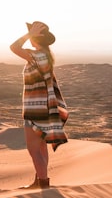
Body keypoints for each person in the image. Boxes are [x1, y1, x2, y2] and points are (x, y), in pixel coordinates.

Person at [10, 20, 69, 189]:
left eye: (32, 37)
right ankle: (41, 180)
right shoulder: (46, 56)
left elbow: (13, 48)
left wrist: (29, 34)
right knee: (41, 148)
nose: (30, 40)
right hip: (45, 109)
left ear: (37, 38)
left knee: (34, 150)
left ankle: (42, 184)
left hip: (35, 110)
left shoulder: (37, 56)